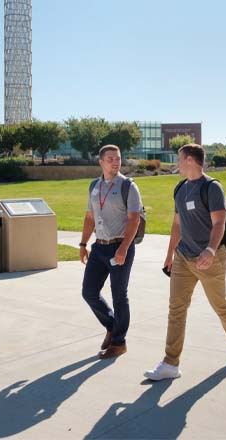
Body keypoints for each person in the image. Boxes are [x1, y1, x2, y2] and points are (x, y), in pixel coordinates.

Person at [145, 143, 226, 381]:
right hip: (183, 258)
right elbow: (177, 225)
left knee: (220, 305)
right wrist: (169, 255)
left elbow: (219, 223)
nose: (176, 164)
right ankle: (170, 363)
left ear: (190, 160)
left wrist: (210, 250)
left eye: (179, 159)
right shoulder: (180, 188)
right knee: (176, 309)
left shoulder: (212, 187)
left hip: (210, 258)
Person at [80, 144, 143, 359]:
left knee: (119, 295)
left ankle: (119, 342)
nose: (115, 162)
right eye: (110, 159)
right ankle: (112, 326)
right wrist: (82, 244)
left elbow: (134, 219)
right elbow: (90, 217)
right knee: (88, 292)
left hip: (120, 246)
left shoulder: (128, 186)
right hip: (99, 247)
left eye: (118, 158)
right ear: (101, 162)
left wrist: (124, 248)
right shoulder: (94, 186)